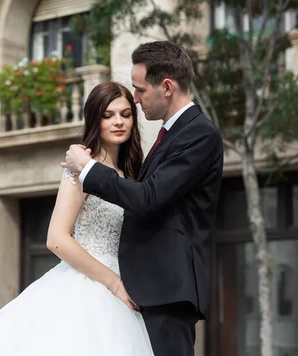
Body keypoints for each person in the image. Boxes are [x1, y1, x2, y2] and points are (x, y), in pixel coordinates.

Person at [0, 81, 154, 356]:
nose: (118, 122)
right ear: (94, 119)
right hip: (89, 288)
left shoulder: (132, 174)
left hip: (128, 288)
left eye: (125, 114)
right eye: (108, 115)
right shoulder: (79, 168)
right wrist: (114, 284)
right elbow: (57, 239)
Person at [62, 41, 224, 356]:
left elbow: (148, 198)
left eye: (140, 91)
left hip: (166, 290)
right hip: (146, 291)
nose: (135, 100)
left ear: (166, 87)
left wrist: (88, 170)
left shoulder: (199, 134)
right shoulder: (171, 135)